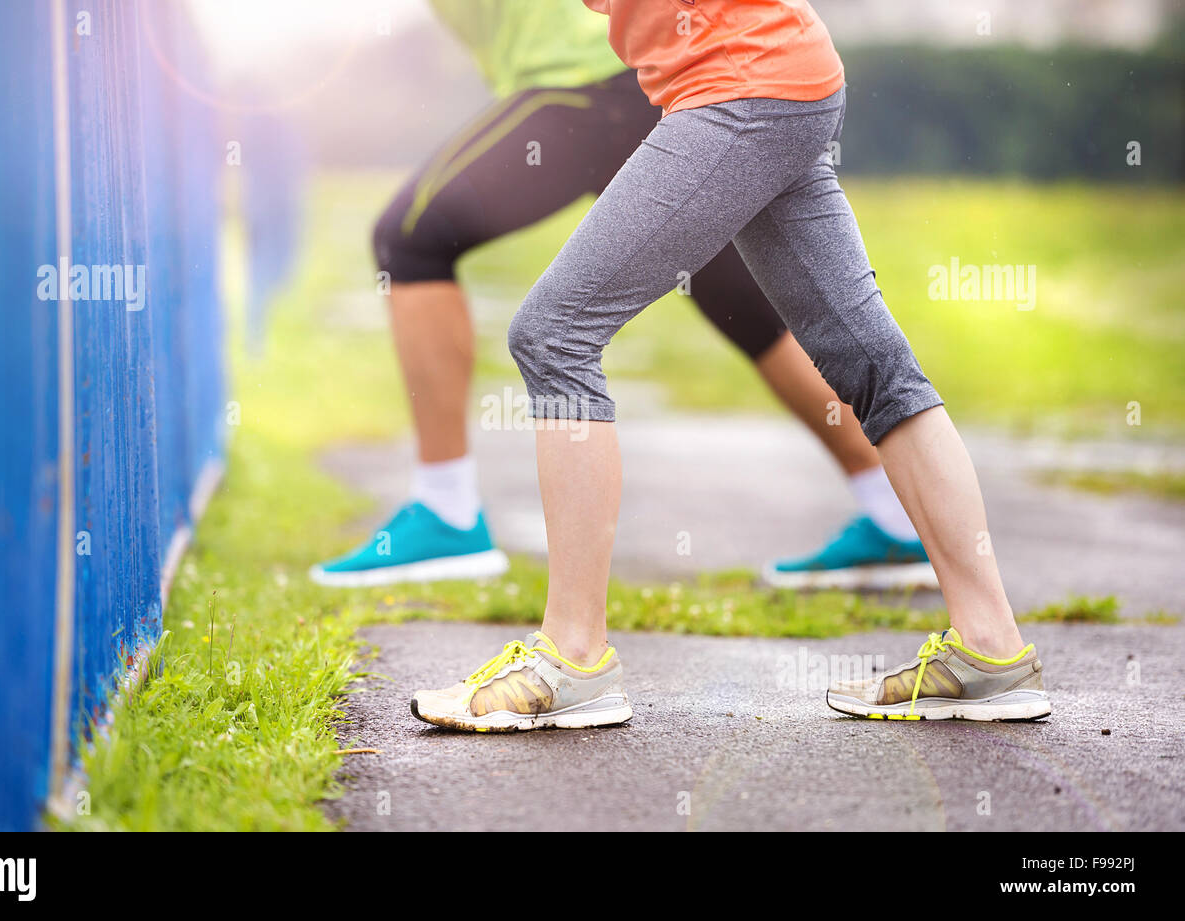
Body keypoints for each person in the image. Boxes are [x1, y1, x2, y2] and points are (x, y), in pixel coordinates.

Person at [410, 0, 1051, 728]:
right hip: (778, 76)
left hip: (739, 86)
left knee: (554, 333)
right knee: (875, 364)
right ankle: (992, 650)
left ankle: (572, 657)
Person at [309, 0, 935, 592]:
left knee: (411, 237)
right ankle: (896, 515)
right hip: (641, 81)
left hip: (581, 85)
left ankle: (445, 511)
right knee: (745, 308)